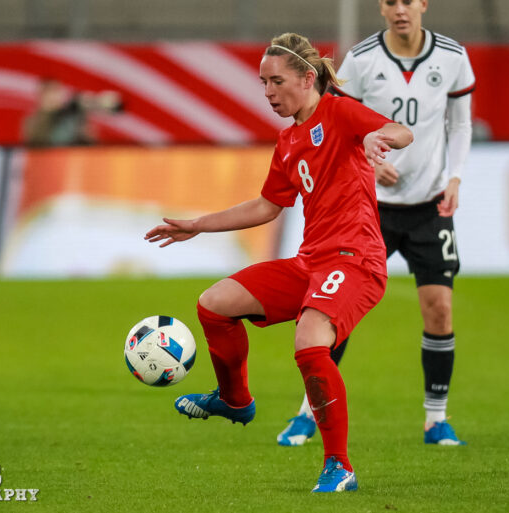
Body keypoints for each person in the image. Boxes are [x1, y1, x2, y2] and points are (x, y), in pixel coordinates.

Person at [146, 32, 412, 492]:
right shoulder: (288, 140)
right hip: (311, 261)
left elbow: (402, 132)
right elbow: (268, 206)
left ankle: (340, 466)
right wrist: (199, 225)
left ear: (308, 78)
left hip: (356, 261)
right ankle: (235, 401)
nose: (268, 93)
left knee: (309, 341)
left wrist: (376, 137)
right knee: (214, 304)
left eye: (276, 82)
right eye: (263, 83)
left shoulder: (341, 111)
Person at [277, 0, 474, 447]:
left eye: (408, 0)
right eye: (390, 1)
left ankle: (436, 419)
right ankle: (309, 412)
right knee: (332, 312)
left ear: (424, 4)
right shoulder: (362, 59)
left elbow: (459, 124)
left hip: (429, 206)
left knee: (439, 309)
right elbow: (334, 122)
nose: (400, 9)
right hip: (367, 210)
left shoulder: (452, 56)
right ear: (381, 8)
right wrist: (363, 158)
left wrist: (456, 177)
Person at [22, 78, 123, 147]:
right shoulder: (33, 121)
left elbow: (89, 139)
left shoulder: (72, 113)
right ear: (40, 96)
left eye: (56, 91)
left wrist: (98, 102)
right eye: (48, 93)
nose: (53, 97)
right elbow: (37, 143)